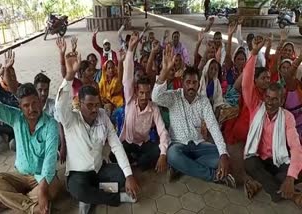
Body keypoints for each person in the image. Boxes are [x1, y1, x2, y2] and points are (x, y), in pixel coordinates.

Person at [55, 51, 140, 213]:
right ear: (79, 104)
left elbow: (115, 145)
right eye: (89, 105)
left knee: (123, 176)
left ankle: (90, 197)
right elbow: (59, 107)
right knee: (77, 189)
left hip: (99, 169)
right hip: (78, 174)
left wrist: (129, 176)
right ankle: (114, 198)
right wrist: (70, 75)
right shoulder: (70, 119)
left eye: (97, 104)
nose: (95, 109)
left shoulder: (102, 116)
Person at [151, 44, 235, 187]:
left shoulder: (203, 101)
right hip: (178, 145)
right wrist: (164, 71)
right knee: (172, 155)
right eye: (188, 82)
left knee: (223, 156)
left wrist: (223, 154)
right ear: (182, 83)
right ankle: (213, 176)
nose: (191, 86)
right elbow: (156, 97)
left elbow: (213, 127)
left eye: (194, 83)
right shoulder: (174, 97)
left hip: (199, 145)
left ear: (198, 84)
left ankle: (182, 167)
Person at [0, 62, 60, 214]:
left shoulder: (51, 125)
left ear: (39, 101)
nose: (31, 109)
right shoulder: (16, 118)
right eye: (26, 106)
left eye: (34, 103)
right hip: (20, 174)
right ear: (20, 107)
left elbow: (50, 161)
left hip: (42, 177)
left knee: (53, 188)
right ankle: (32, 207)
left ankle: (10, 202)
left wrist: (43, 189)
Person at [242, 37, 302, 205]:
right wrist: (254, 53)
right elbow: (247, 84)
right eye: (267, 97)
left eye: (275, 99)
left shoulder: (287, 117)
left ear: (282, 101)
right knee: (249, 163)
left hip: (278, 160)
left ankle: (265, 185)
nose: (269, 102)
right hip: (258, 160)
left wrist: (290, 177)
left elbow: (296, 147)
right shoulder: (256, 107)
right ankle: (293, 195)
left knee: (296, 169)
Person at [117, 32, 169, 171]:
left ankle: (136, 163)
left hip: (143, 144)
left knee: (158, 152)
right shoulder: (129, 100)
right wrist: (130, 50)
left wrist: (163, 154)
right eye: (141, 93)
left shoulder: (154, 108)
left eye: (147, 93)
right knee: (114, 155)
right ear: (136, 92)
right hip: (128, 142)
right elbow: (127, 79)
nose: (144, 96)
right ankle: (136, 163)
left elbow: (162, 131)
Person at [0, 50, 19, 150]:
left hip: (17, 119)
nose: (12, 77)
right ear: (2, 77)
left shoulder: (19, 87)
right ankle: (14, 136)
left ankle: (10, 138)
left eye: (13, 75)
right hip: (4, 120)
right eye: (9, 75)